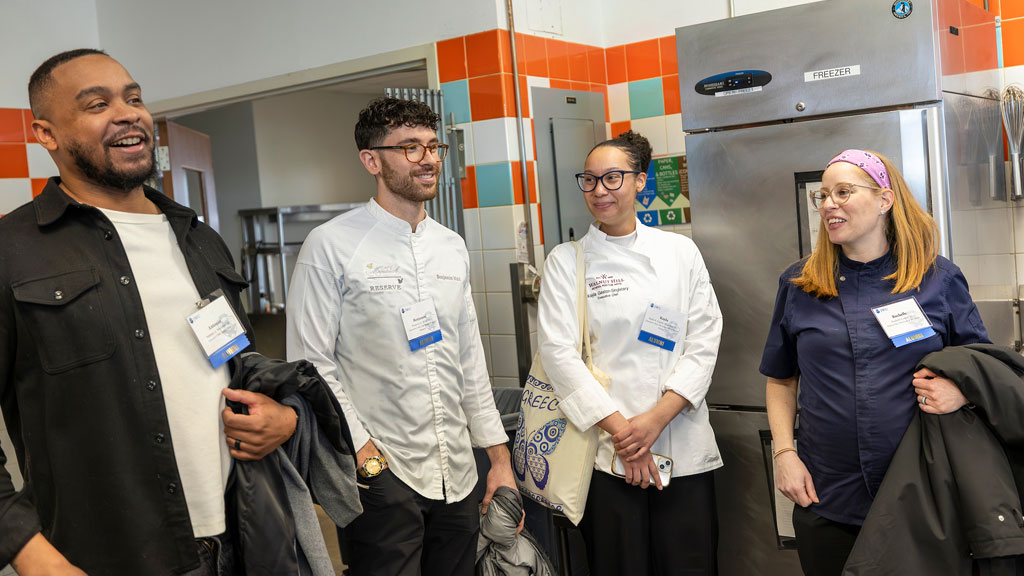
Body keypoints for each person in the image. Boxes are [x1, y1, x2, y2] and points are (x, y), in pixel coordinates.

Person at [0, 49, 301, 576]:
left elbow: (241, 365)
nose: (127, 112)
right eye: (97, 104)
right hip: (103, 556)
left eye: (133, 98)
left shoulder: (201, 239)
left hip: (241, 540)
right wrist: (28, 553)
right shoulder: (13, 251)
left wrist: (282, 418)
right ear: (46, 134)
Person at [286, 97, 517, 576]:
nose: (428, 158)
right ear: (371, 160)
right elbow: (311, 363)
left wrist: (498, 459)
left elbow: (468, 358)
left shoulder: (450, 247)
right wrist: (364, 456)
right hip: (383, 474)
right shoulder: (331, 245)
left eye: (433, 146)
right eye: (410, 148)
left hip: (457, 469)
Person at [761, 149, 990, 576]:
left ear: (885, 200)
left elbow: (980, 365)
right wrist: (785, 455)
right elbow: (780, 379)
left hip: (921, 493)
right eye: (823, 195)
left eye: (843, 192)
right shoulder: (800, 283)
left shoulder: (936, 277)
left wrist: (960, 391)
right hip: (825, 494)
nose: (829, 204)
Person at [537, 130, 724, 576]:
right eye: (590, 180)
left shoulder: (680, 252)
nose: (600, 190)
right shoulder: (567, 260)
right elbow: (559, 355)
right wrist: (627, 436)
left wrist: (655, 420)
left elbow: (705, 337)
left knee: (691, 566)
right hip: (606, 453)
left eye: (613, 178)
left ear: (641, 181)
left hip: (681, 442)